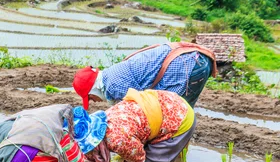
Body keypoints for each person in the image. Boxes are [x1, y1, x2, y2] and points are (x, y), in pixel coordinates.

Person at [72, 42, 217, 109]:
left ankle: (173, 157)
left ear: (94, 89)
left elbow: (140, 109)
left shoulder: (113, 86)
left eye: (90, 97)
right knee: (181, 112)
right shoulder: (111, 75)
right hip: (194, 60)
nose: (94, 102)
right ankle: (176, 153)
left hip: (188, 67)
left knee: (173, 113)